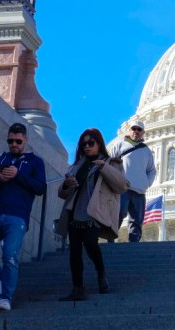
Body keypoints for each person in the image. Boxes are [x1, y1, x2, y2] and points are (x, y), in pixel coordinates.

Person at [0, 122, 47, 311]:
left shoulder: (35, 162)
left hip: (17, 216)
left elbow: (41, 188)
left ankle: (6, 297)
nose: (14, 144)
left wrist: (18, 175)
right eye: (10, 141)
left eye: (18, 141)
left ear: (25, 140)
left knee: (10, 255)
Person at [57, 128, 128, 301]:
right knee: (74, 251)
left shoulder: (112, 163)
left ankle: (101, 271)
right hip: (75, 211)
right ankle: (78, 288)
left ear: (99, 144)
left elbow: (121, 186)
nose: (87, 147)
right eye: (84, 144)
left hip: (95, 212)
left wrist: (104, 168)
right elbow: (62, 193)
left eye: (91, 143)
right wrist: (67, 184)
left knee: (90, 244)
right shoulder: (77, 165)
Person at [114, 119, 156, 242]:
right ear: (129, 130)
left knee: (136, 220)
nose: (136, 131)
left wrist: (146, 183)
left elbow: (152, 170)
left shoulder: (146, 150)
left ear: (143, 132)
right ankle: (111, 237)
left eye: (139, 129)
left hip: (139, 190)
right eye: (134, 129)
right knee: (120, 213)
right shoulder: (120, 144)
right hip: (123, 188)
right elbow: (110, 163)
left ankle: (134, 243)